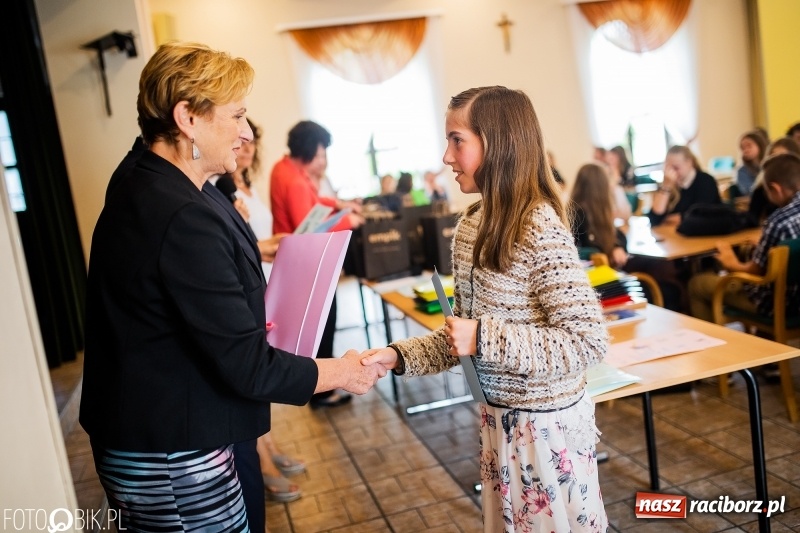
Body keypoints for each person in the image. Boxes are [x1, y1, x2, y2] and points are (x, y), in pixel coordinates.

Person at [80, 42, 383, 533]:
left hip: (169, 420)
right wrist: (342, 371)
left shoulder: (160, 176)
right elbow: (247, 366)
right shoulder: (178, 213)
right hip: (171, 444)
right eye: (237, 115)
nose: (246, 132)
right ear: (187, 119)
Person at [363, 86, 609, 533]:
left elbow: (586, 341)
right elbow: (462, 335)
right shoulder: (472, 223)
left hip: (544, 429)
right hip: (498, 420)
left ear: (498, 144)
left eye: (458, 140)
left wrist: (483, 337)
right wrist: (396, 357)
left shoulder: (538, 224)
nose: (446, 156)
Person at [270, 120, 365, 408]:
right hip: (308, 267)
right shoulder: (296, 181)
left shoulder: (282, 168)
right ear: (312, 148)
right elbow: (313, 229)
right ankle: (322, 391)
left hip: (293, 264)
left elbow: (315, 202)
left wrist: (339, 204)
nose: (323, 158)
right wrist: (350, 220)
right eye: (321, 152)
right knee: (324, 325)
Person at [688, 152, 800, 323]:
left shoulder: (777, 222)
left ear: (776, 189)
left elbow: (755, 272)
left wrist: (731, 261)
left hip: (779, 304)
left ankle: (721, 347)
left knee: (697, 284)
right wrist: (765, 247)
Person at [571, 163, 684, 310]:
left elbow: (618, 234)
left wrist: (617, 246)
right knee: (664, 283)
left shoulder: (593, 211)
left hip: (609, 270)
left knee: (658, 269)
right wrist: (605, 252)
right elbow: (582, 249)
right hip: (601, 280)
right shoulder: (579, 215)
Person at [648, 145, 721, 226]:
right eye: (668, 168)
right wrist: (666, 187)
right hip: (675, 235)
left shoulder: (706, 181)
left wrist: (667, 219)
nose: (671, 172)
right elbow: (654, 218)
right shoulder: (668, 183)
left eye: (676, 167)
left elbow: (699, 216)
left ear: (689, 162)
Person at [749, 137, 800, 224]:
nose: (776, 163)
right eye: (772, 157)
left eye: (782, 158)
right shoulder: (760, 191)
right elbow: (752, 220)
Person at [604, 146, 634, 220]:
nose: (611, 161)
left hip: (628, 196)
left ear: (619, 157)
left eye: (613, 158)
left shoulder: (628, 169)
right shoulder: (607, 170)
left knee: (617, 190)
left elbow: (630, 186)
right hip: (613, 198)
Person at [735, 130, 767, 197]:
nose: (746, 150)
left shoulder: (769, 164)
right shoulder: (742, 171)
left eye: (749, 146)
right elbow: (750, 192)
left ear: (759, 145)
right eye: (743, 148)